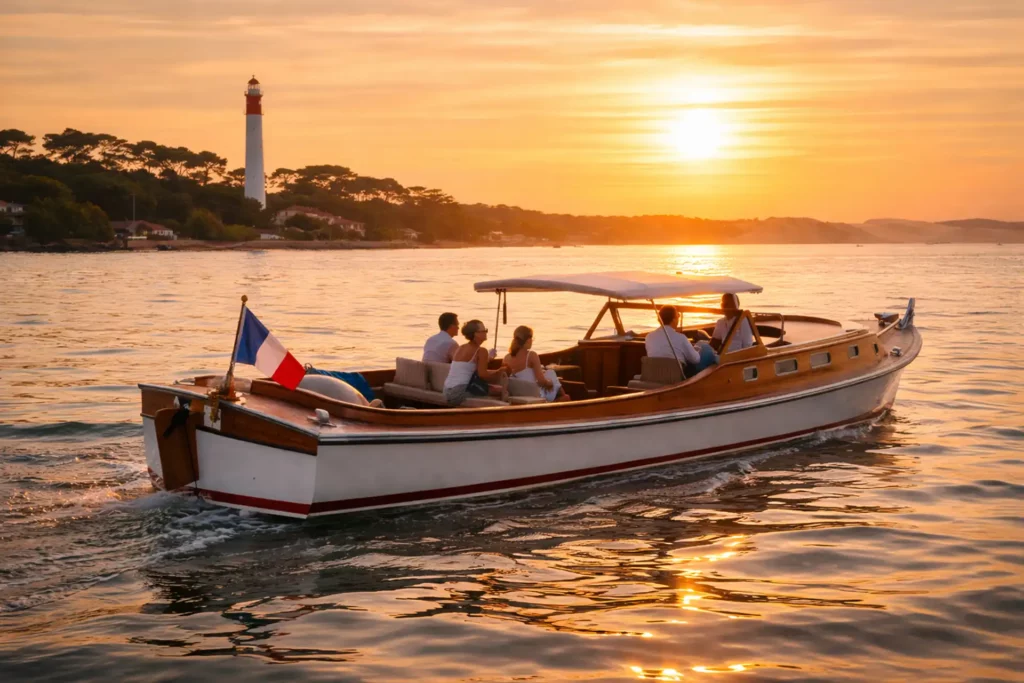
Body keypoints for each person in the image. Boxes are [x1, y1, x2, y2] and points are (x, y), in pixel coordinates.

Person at [443, 320, 509, 405]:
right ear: (475, 334)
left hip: (446, 391)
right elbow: (483, 375)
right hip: (459, 392)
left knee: (493, 389)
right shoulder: (481, 351)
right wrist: (499, 371)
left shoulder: (461, 348)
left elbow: (469, 369)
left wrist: (489, 361)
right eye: (484, 331)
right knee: (501, 391)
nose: (486, 332)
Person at [645, 305, 718, 377]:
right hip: (675, 376)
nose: (678, 318)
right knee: (706, 348)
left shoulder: (649, 337)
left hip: (655, 374)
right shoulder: (681, 338)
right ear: (674, 320)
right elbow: (696, 360)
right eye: (678, 316)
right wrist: (696, 352)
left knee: (701, 346)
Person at [504, 326, 570, 402]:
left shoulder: (506, 358)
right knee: (552, 375)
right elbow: (541, 381)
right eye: (532, 338)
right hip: (534, 394)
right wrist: (550, 383)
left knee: (548, 373)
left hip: (518, 393)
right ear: (528, 340)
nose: (532, 341)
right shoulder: (531, 355)